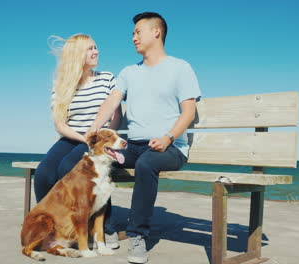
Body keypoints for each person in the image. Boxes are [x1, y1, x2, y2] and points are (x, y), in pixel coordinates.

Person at [87, 12, 201, 264]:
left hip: (171, 147)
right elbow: (112, 101)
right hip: (135, 146)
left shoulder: (180, 68)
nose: (133, 38)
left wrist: (168, 137)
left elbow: (189, 112)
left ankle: (137, 235)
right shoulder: (129, 72)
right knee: (97, 163)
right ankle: (107, 227)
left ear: (156, 32)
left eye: (138, 32)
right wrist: (95, 127)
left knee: (146, 163)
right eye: (133, 34)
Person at [34, 34, 122, 206]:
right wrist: (85, 139)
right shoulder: (61, 84)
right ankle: (48, 221)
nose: (96, 52)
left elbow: (117, 116)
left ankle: (96, 223)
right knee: (43, 174)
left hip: (99, 141)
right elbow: (60, 125)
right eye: (90, 49)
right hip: (72, 138)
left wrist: (104, 141)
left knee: (68, 167)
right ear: (77, 54)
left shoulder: (107, 78)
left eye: (95, 47)